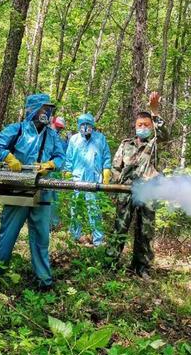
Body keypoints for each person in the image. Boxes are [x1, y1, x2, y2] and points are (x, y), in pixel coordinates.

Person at [0, 94, 65, 290]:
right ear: (33, 109)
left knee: (41, 237)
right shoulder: (18, 129)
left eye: (49, 109)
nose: (46, 113)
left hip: (43, 189)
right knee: (9, 232)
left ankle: (44, 281)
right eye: (43, 109)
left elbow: (61, 156)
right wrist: (8, 157)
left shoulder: (52, 134)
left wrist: (50, 164)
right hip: (17, 188)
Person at [106, 91, 169, 278]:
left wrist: (155, 112)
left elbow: (164, 134)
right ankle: (111, 263)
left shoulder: (155, 143)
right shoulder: (126, 144)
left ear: (151, 127)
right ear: (135, 126)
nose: (142, 127)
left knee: (145, 231)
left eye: (146, 125)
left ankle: (141, 267)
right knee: (120, 228)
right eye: (139, 125)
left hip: (148, 193)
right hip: (125, 191)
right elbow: (116, 167)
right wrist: (113, 189)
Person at [64, 113, 111, 247]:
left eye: (88, 124)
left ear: (92, 125)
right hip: (77, 178)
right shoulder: (74, 139)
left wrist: (106, 169)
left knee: (94, 210)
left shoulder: (100, 138)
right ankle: (75, 237)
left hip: (94, 179)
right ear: (79, 125)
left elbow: (106, 155)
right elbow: (69, 158)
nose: (85, 127)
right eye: (82, 125)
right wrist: (67, 171)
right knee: (75, 208)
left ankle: (98, 241)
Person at [49, 116, 68, 228]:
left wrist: (68, 142)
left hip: (56, 172)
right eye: (57, 127)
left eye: (60, 128)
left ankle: (54, 224)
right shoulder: (47, 135)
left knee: (55, 198)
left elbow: (62, 155)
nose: (58, 129)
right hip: (45, 170)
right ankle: (46, 223)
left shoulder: (59, 139)